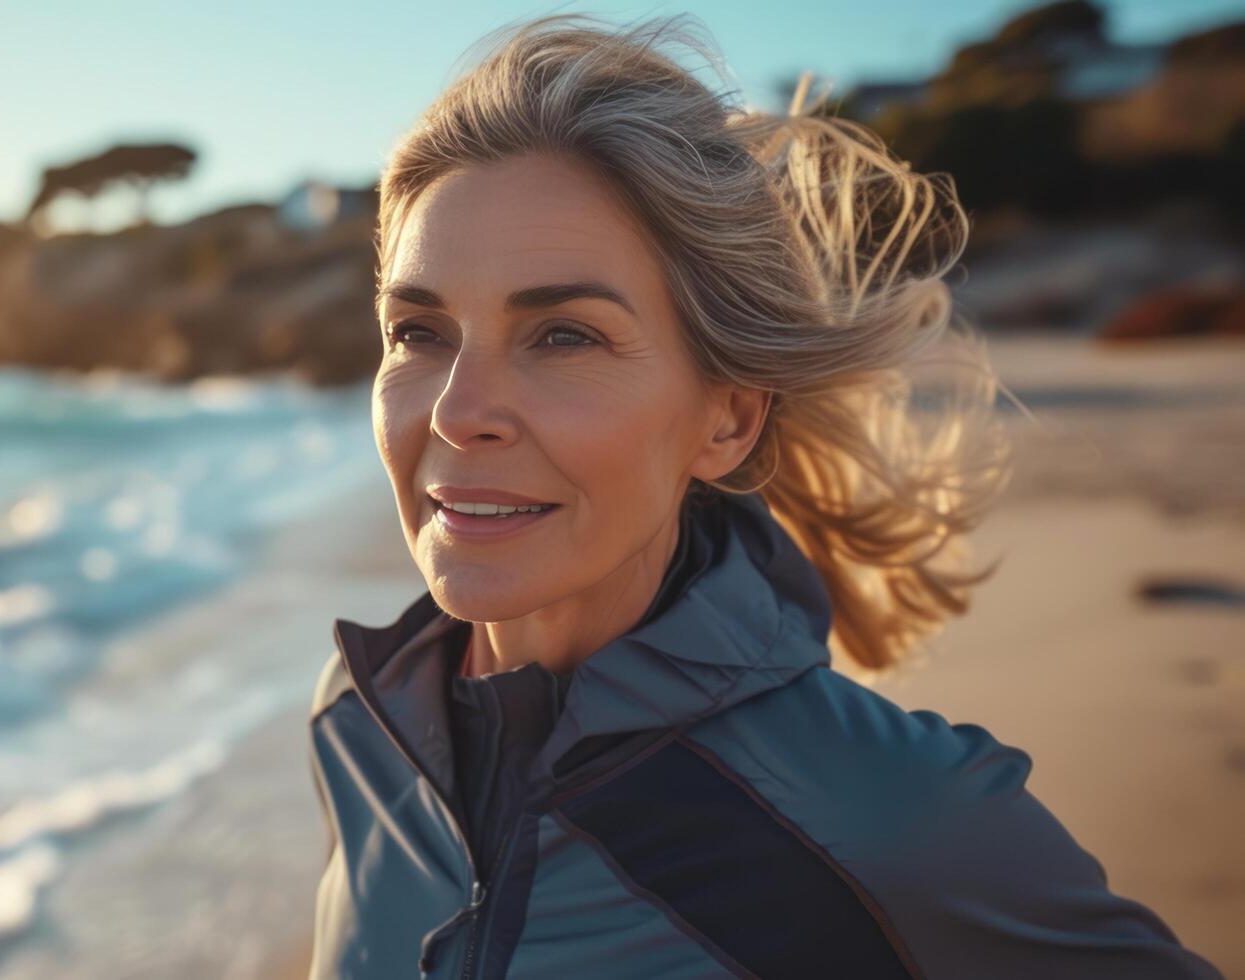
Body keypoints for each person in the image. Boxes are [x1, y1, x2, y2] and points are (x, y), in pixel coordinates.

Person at [303, 12, 1225, 980]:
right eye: (418, 332)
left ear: (728, 420)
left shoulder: (898, 818)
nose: (459, 411)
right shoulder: (361, 721)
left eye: (564, 336)